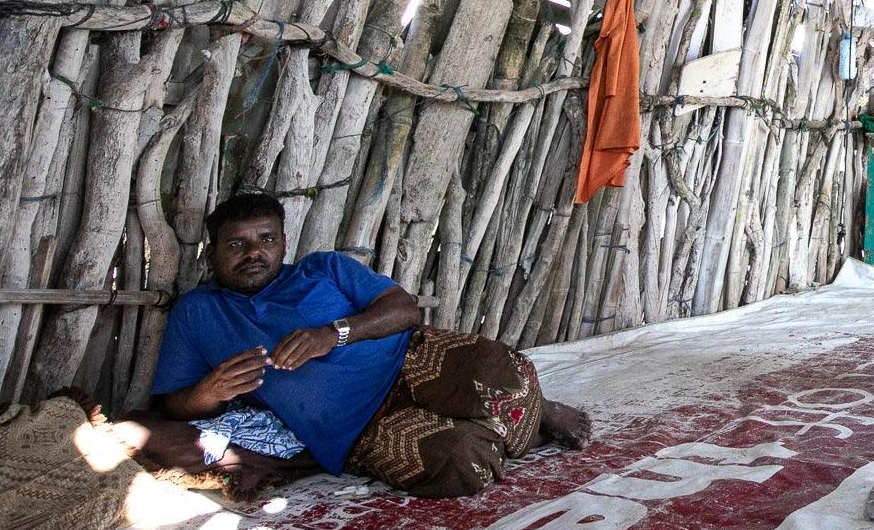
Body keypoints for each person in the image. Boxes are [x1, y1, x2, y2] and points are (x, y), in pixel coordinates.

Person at [153, 192, 590, 498]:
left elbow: (404, 310)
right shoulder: (197, 313)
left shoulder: (322, 268)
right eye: (237, 245)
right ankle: (516, 423)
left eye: (266, 239)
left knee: (505, 371)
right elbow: (171, 405)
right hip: (356, 430)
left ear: (283, 242)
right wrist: (210, 392)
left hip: (411, 361)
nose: (255, 252)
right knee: (460, 465)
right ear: (212, 255)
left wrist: (333, 334)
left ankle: (535, 409)